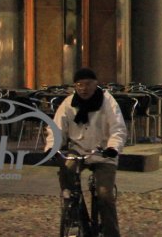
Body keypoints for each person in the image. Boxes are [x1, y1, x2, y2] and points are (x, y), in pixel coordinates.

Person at [46, 67, 127, 237]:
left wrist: (113, 148)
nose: (84, 88)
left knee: (104, 195)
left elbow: (118, 128)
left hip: (103, 153)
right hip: (78, 150)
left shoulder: (107, 102)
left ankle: (112, 233)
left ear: (96, 84)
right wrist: (52, 148)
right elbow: (56, 128)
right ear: (75, 86)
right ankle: (76, 216)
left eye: (88, 84)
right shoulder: (68, 103)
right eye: (79, 85)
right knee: (68, 174)